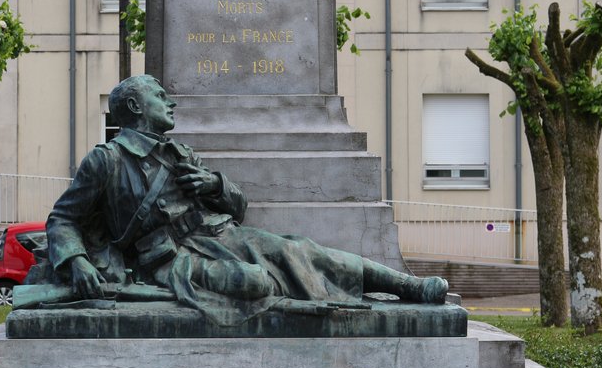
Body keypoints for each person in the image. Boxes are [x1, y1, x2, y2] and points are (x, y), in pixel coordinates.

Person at [42, 74, 448, 325]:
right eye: (160, 95)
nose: (172, 102)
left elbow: (238, 207)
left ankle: (407, 286)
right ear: (135, 106)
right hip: (172, 261)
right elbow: (63, 219)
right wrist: (75, 260)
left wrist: (214, 185)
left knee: (303, 251)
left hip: (222, 236)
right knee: (256, 280)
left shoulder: (181, 153)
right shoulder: (107, 160)